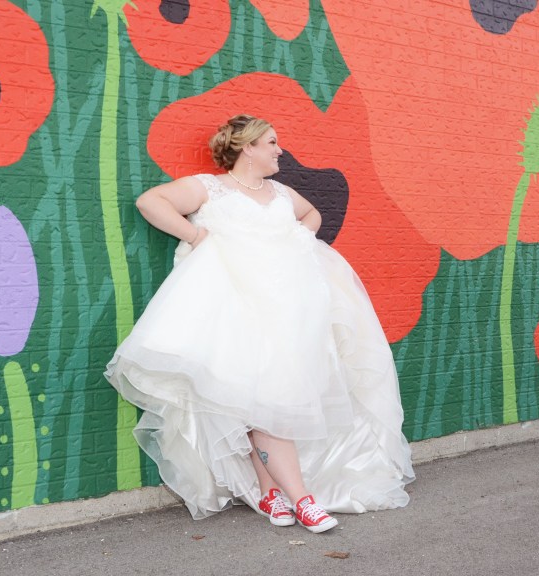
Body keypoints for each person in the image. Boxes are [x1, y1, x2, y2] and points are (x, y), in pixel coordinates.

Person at [105, 114, 414, 532]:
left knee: (266, 400)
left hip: (289, 312)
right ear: (246, 147)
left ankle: (271, 494)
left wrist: (297, 241)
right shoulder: (210, 188)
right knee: (266, 400)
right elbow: (150, 201)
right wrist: (196, 237)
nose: (279, 150)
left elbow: (313, 217)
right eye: (271, 142)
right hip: (235, 312)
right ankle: (303, 500)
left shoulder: (281, 192)